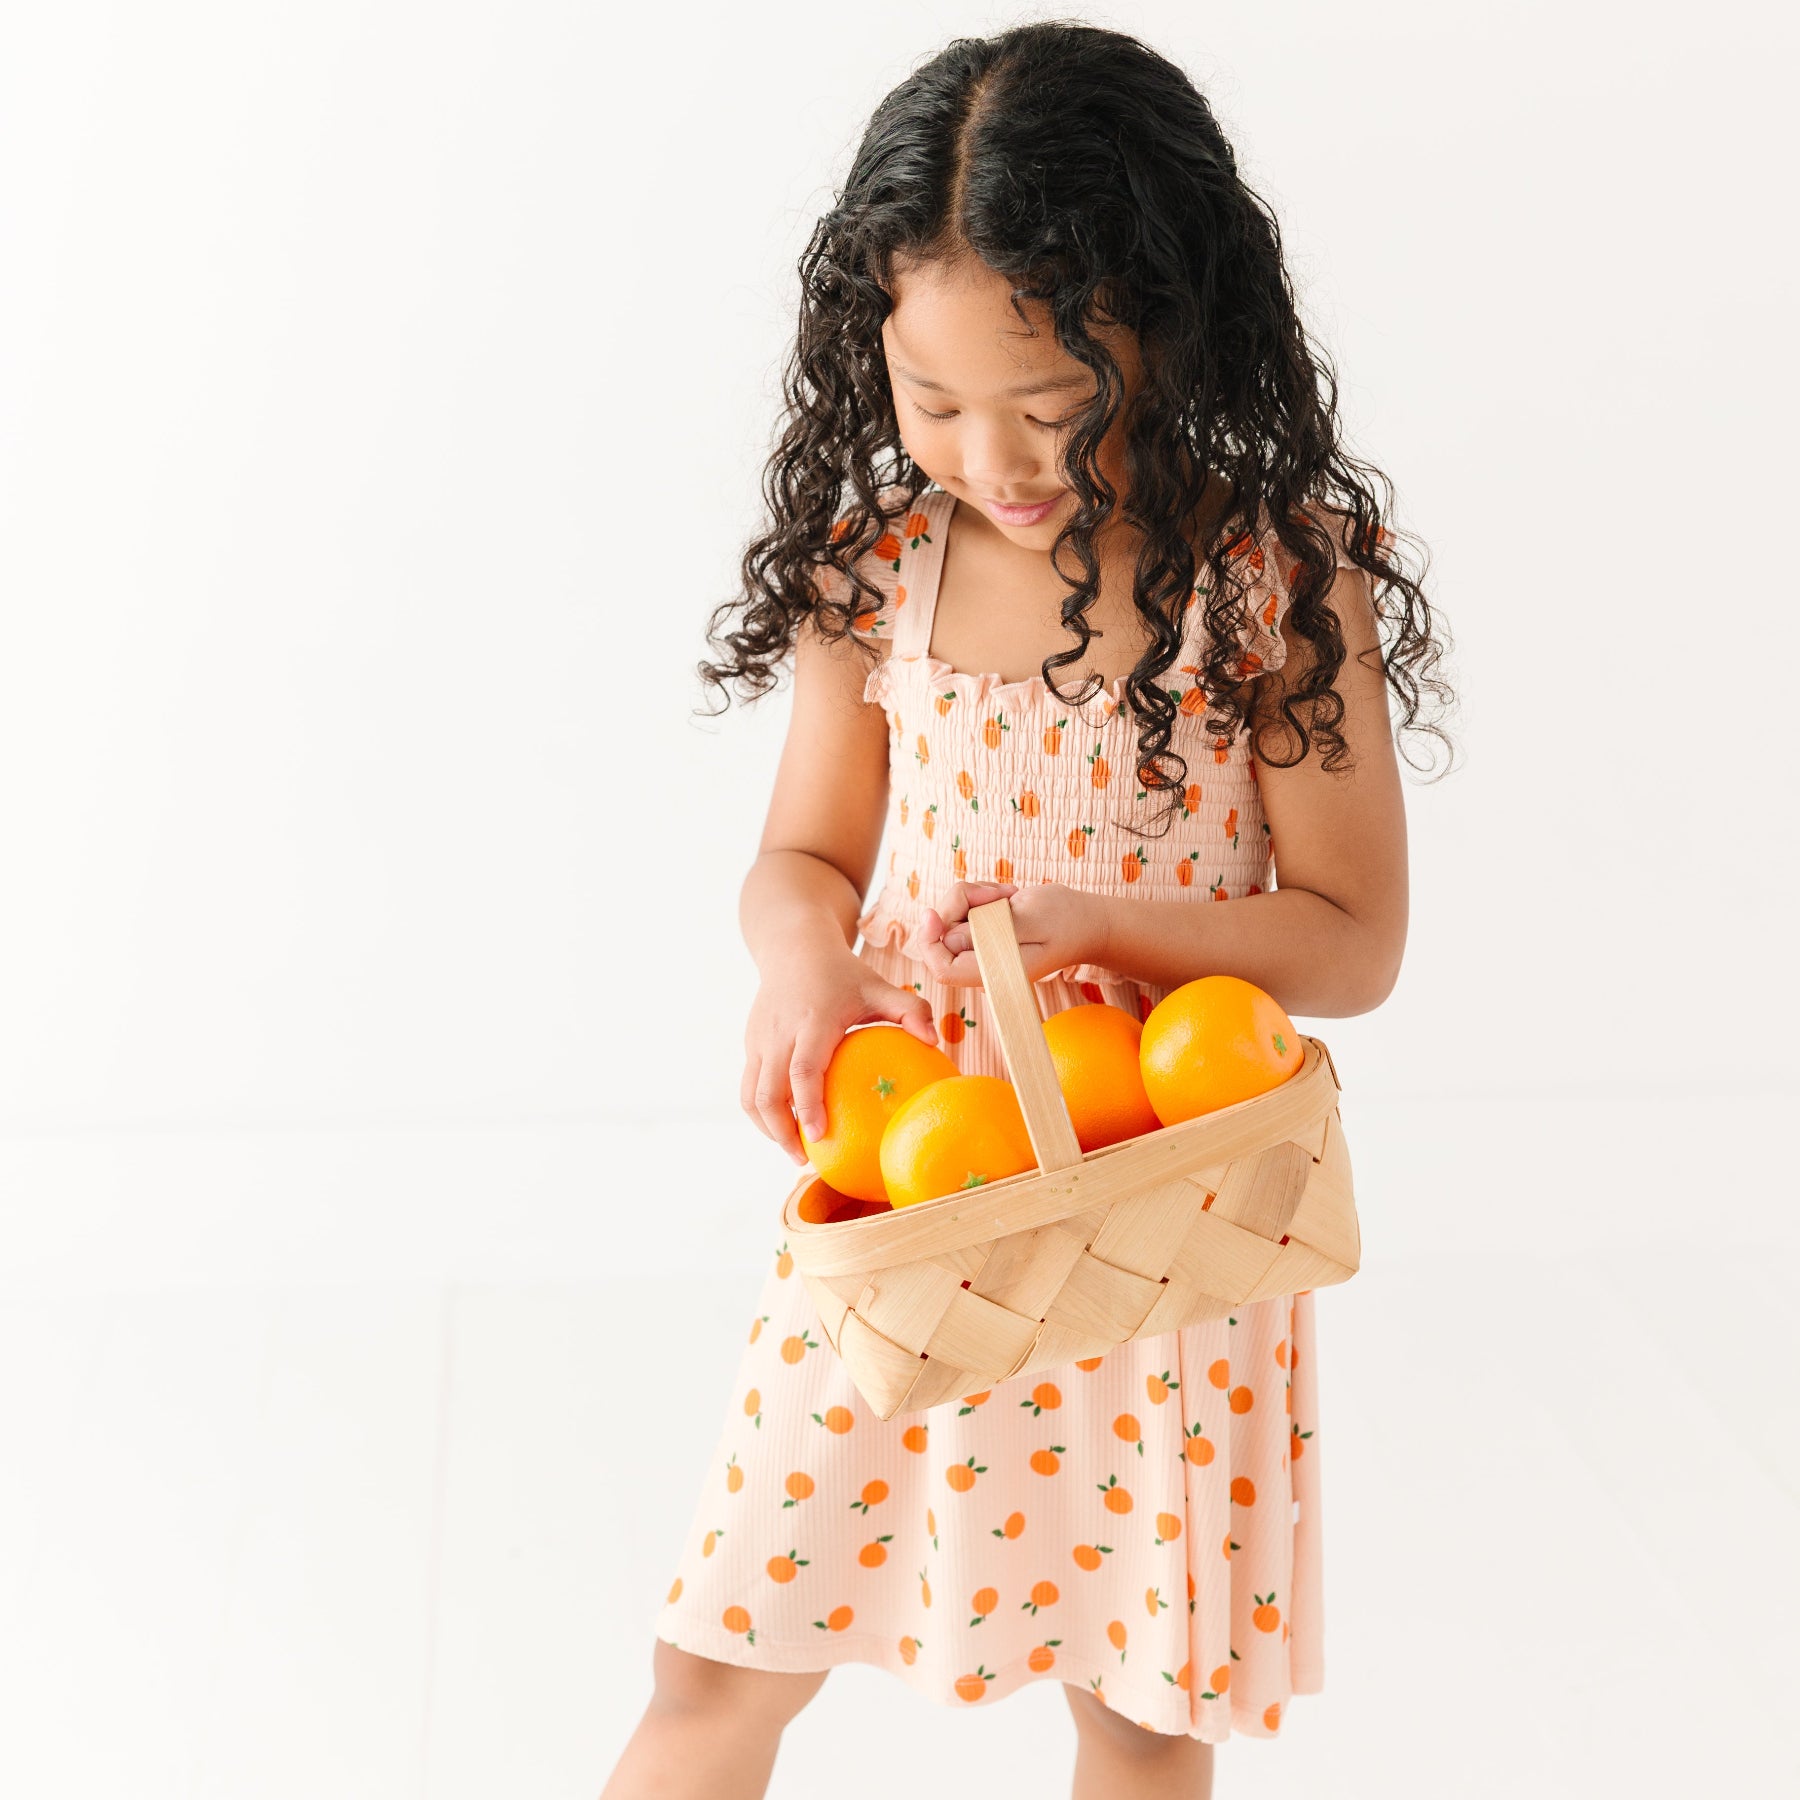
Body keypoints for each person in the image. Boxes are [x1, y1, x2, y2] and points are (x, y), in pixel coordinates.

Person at [601, 19, 1454, 1799]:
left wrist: (1106, 927)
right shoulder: (876, 577)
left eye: (1052, 405)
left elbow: (1354, 942)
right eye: (931, 405)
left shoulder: (1270, 585)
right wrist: (799, 961)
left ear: (1170, 320)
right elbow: (804, 860)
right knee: (711, 1663)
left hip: (1162, 1224)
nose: (991, 455)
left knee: (1137, 1719)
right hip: (921, 1209)